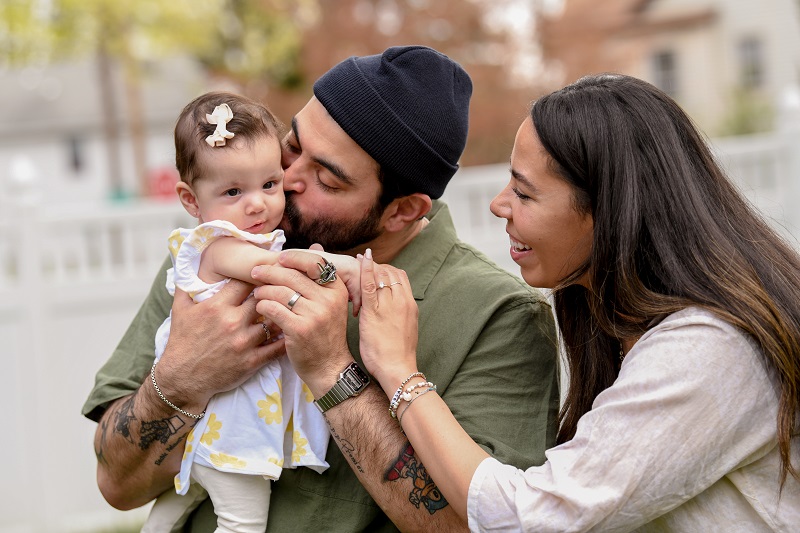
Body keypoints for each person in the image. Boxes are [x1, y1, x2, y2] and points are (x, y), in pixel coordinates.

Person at [262, 73, 800, 531]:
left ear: (607, 212)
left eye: (523, 192)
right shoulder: (615, 321)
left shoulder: (708, 350)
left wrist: (397, 375)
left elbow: (529, 518)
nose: (499, 205)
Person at [82, 46, 560, 531]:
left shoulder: (500, 317)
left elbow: (479, 525)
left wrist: (333, 372)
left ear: (403, 211)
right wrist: (184, 378)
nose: (284, 181)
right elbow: (117, 485)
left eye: (326, 179)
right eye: (292, 145)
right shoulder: (225, 252)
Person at [141, 91, 362, 533]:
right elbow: (270, 269)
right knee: (243, 522)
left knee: (172, 509)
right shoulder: (216, 244)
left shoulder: (252, 238)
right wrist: (343, 267)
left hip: (215, 426)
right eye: (233, 191)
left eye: (269, 184)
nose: (257, 203)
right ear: (190, 199)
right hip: (232, 431)